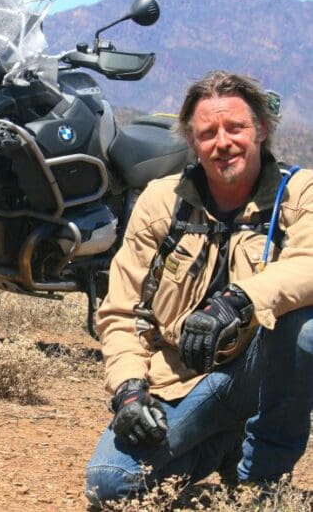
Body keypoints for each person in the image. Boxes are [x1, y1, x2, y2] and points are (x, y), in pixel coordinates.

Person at [85, 70, 313, 507]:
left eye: (235, 128)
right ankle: (225, 445)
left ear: (261, 130)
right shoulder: (161, 201)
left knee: (305, 327)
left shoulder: (299, 193)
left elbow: (309, 264)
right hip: (180, 379)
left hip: (260, 369)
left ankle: (262, 479)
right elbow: (121, 312)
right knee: (111, 485)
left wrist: (240, 299)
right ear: (192, 141)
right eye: (207, 133)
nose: (222, 143)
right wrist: (129, 389)